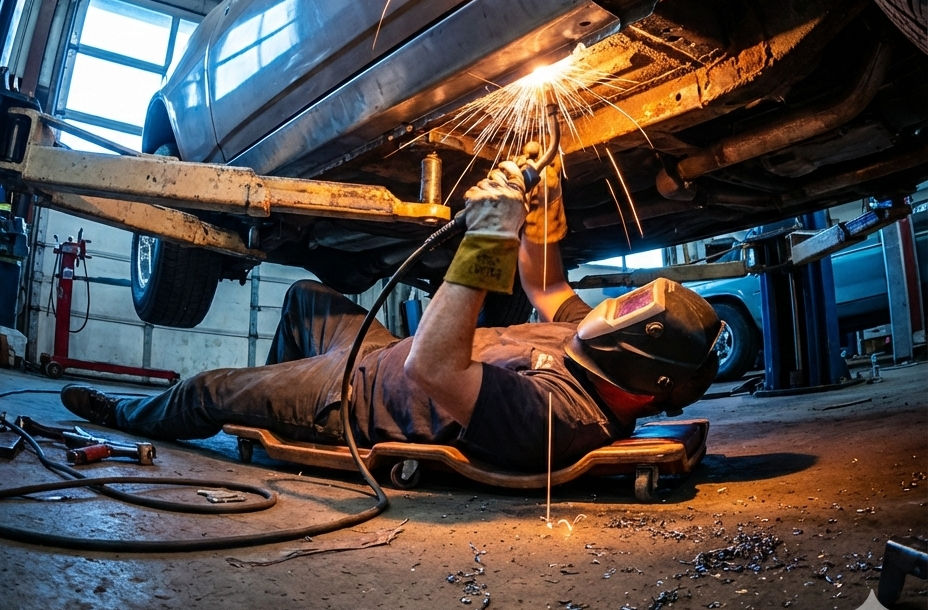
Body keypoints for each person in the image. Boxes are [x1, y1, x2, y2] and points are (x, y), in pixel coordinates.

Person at [60, 159, 721, 472]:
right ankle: (269, 427)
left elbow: (436, 365)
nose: (603, 312)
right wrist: (539, 216)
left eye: (619, 316)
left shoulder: (560, 418)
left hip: (362, 396)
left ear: (644, 383)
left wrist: (487, 236)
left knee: (205, 392)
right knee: (304, 300)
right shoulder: (596, 340)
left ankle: (128, 415)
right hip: (386, 352)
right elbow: (546, 283)